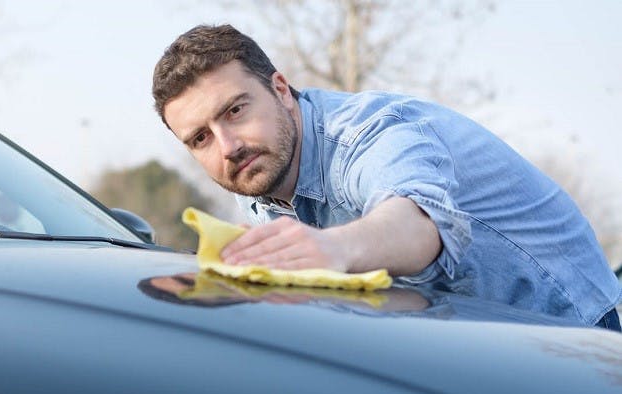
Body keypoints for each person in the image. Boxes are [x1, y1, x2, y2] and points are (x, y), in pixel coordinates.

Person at [151, 24, 622, 331]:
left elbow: (418, 223)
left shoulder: (370, 133)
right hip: (464, 341)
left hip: (569, 331)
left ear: (280, 89)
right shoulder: (258, 178)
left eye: (235, 110)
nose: (227, 145)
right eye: (200, 139)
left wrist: (333, 248)